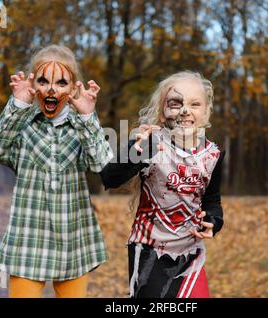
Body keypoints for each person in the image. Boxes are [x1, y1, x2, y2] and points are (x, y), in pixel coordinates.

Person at [0, 45, 113, 298]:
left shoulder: (81, 127)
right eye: (43, 80)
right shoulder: (22, 125)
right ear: (33, 84)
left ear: (73, 88)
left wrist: (88, 117)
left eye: (61, 83)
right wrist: (18, 104)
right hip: (27, 239)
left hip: (73, 241)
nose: (51, 89)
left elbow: (101, 166)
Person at [100, 71, 225, 298]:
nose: (185, 111)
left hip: (191, 253)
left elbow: (212, 200)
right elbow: (109, 178)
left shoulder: (213, 154)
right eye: (176, 104)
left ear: (206, 111)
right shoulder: (151, 143)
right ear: (162, 110)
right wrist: (135, 153)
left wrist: (213, 221)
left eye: (194, 104)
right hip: (149, 252)